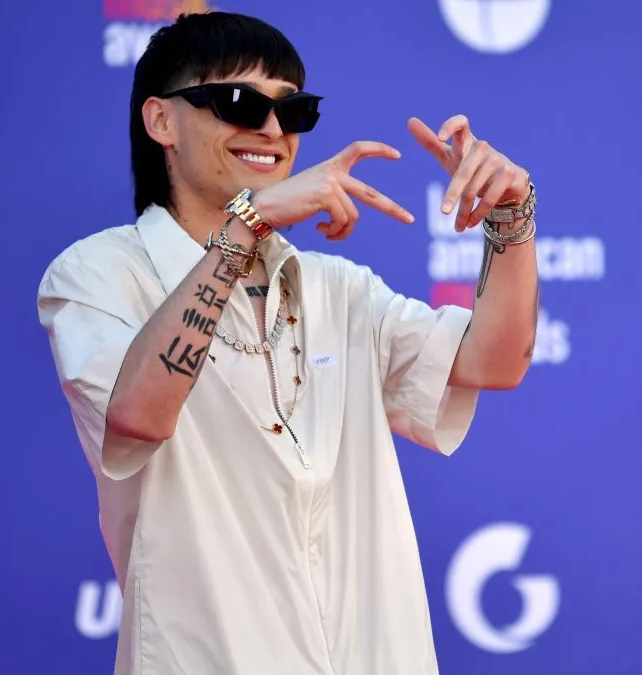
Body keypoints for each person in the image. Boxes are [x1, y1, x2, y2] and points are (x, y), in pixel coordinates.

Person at [36, 11, 539, 675]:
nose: (273, 131)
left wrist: (511, 216)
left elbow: (494, 362)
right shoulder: (96, 274)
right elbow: (137, 416)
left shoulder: (340, 288)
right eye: (239, 102)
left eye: (294, 110)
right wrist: (244, 226)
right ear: (161, 121)